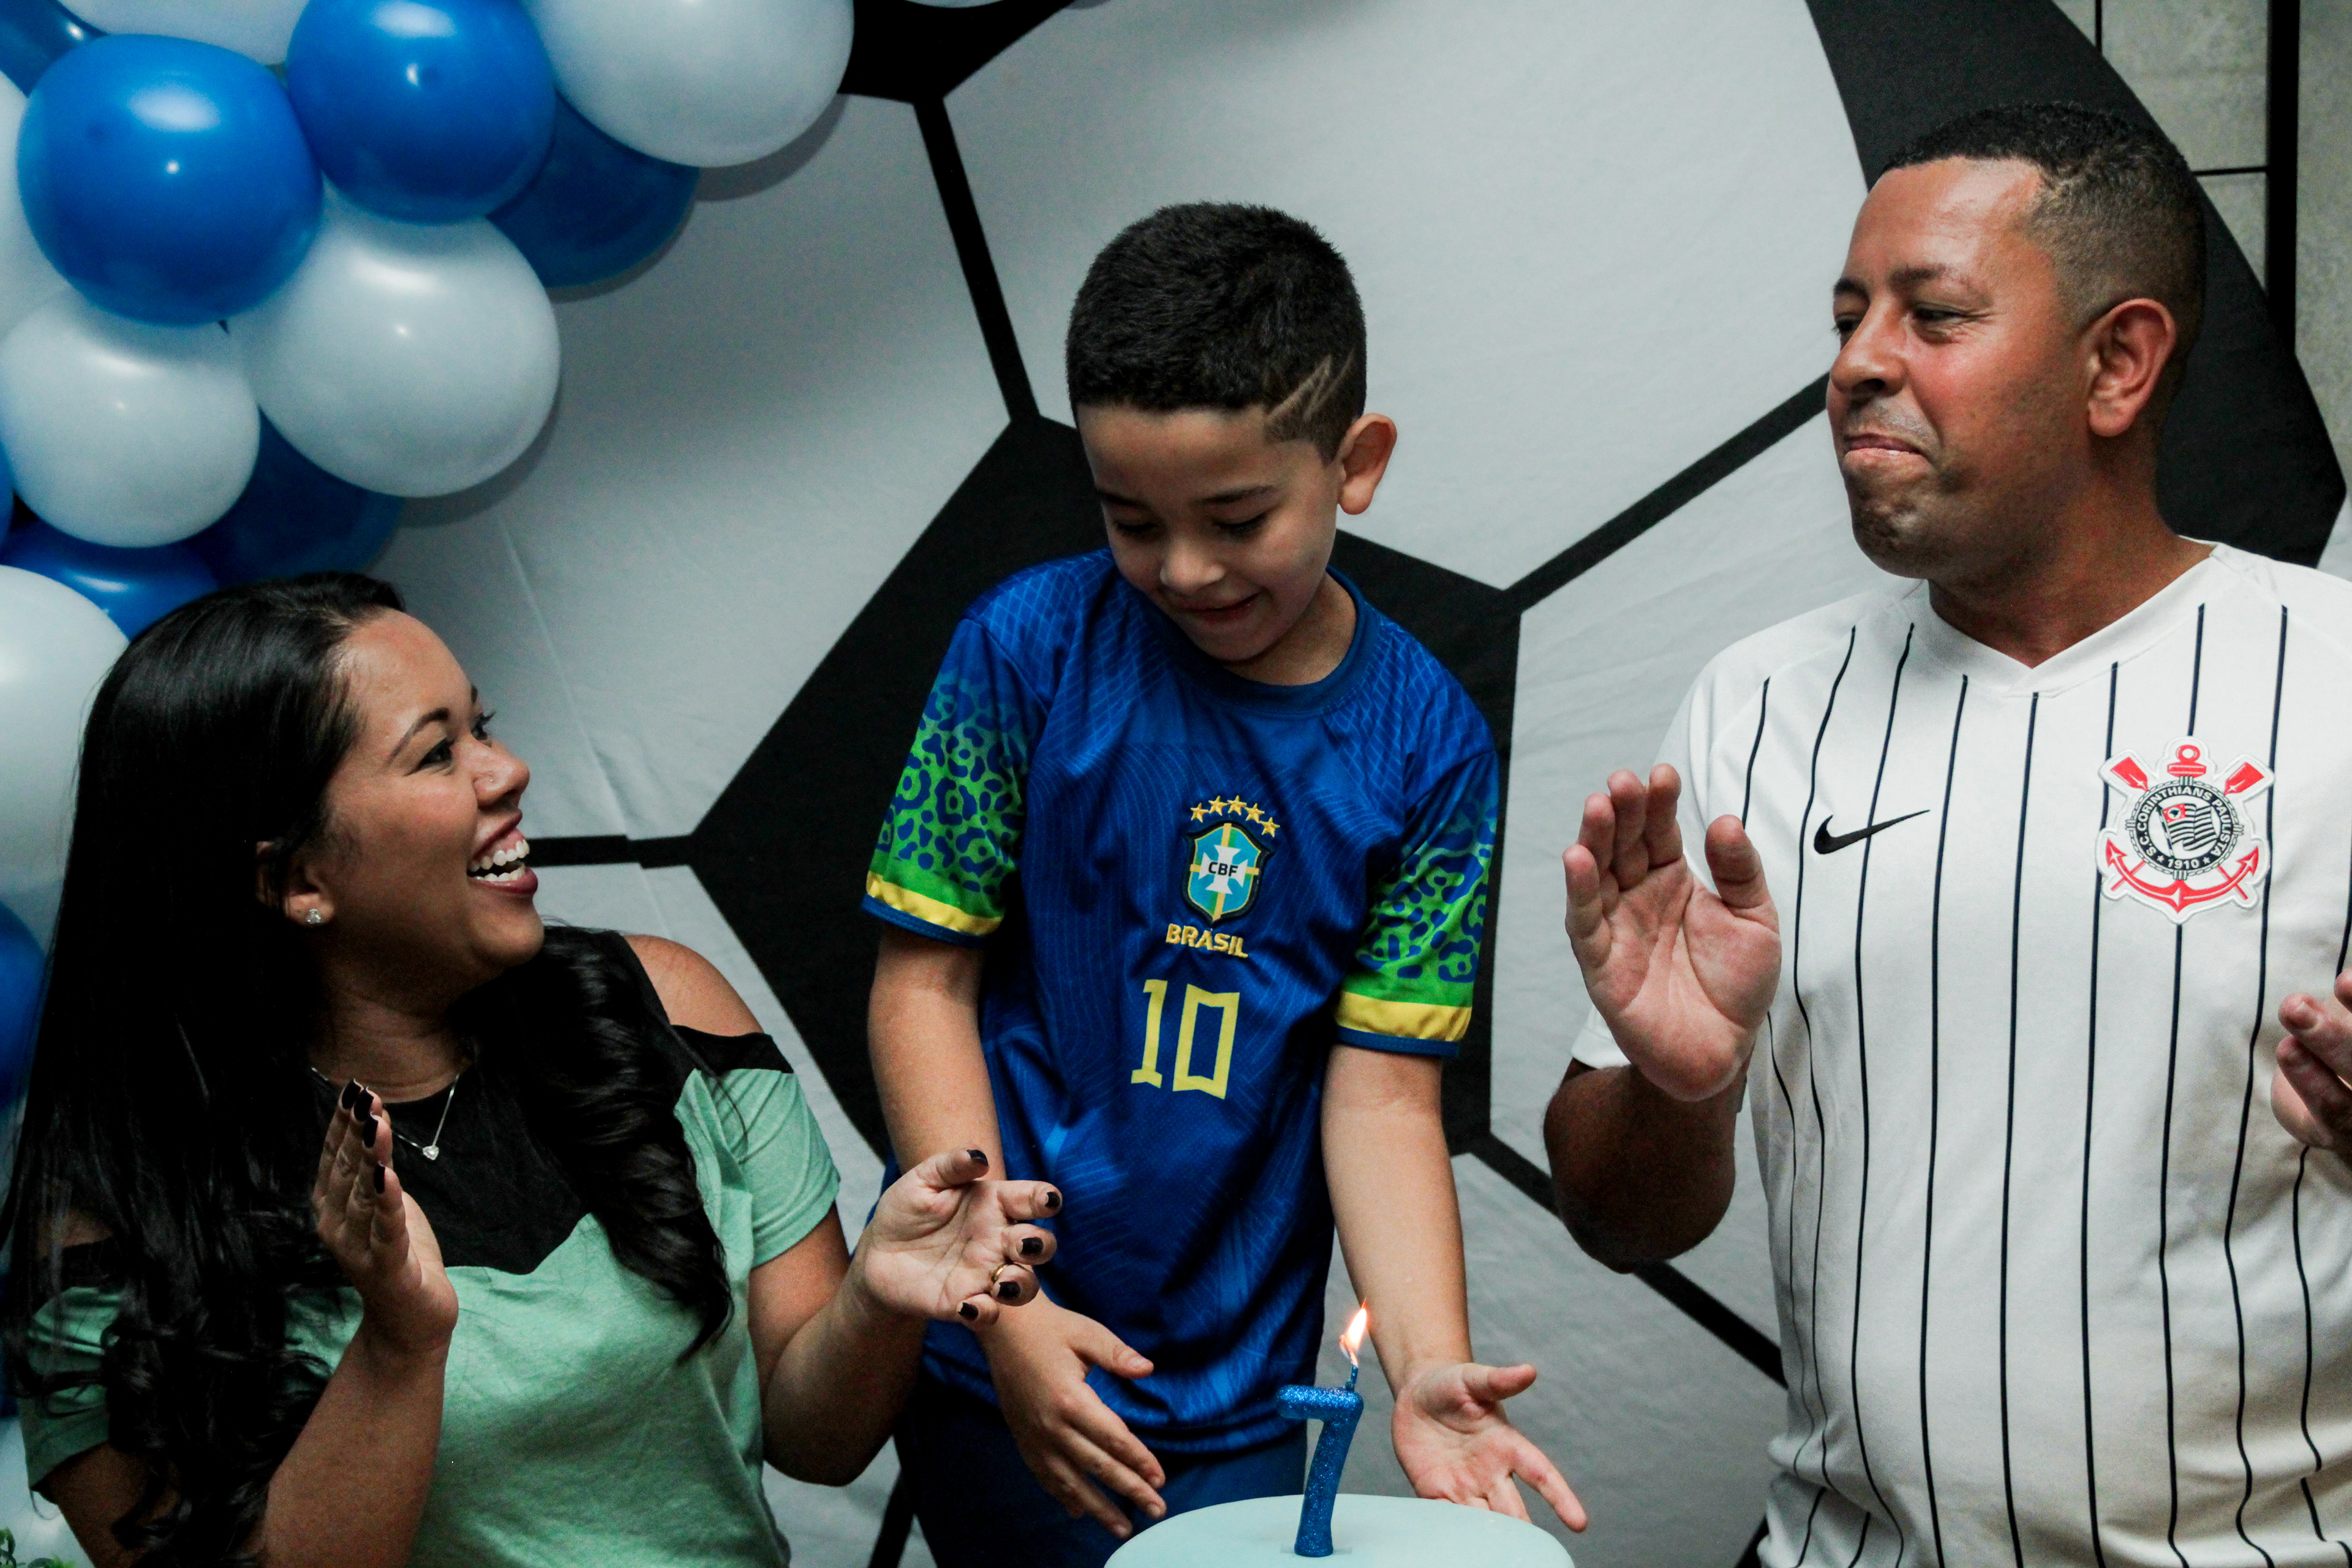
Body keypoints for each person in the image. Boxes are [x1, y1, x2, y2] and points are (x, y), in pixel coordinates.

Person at [1547, 100, 2352, 1565]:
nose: (1857, 363)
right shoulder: (1762, 704)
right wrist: (1678, 1081)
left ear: (2119, 363)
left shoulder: (2339, 682)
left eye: (1935, 315)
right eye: (1851, 316)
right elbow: (1616, 1221)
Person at [0, 574, 1061, 1568]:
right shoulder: (116, 1211)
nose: (506, 772)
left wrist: (876, 1299)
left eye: (484, 727)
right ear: (297, 878)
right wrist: (400, 1343)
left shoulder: (666, 1010)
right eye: (434, 755)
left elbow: (812, 1439)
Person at [864, 203, 1581, 1566]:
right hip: (995, 1363)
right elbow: (921, 987)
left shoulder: (1428, 739)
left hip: (1244, 1398)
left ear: (1355, 464)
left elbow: (1381, 1086)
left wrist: (1429, 1358)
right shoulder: (1021, 646)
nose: (1183, 568)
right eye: (1132, 519)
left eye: (1236, 516)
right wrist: (999, 1308)